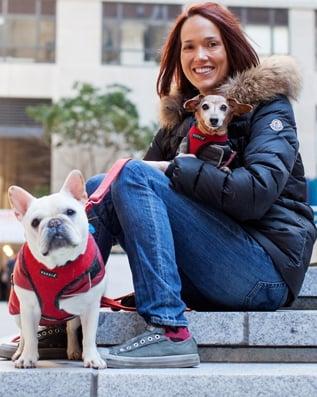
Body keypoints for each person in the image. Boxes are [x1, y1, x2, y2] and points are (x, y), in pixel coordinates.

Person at [1, 2, 316, 368]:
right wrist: (164, 169)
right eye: (189, 47)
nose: (201, 55)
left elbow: (255, 195)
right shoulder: (180, 119)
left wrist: (176, 166)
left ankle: (169, 330)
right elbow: (130, 189)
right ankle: (61, 317)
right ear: (177, 56)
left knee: (132, 174)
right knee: (105, 183)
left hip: (264, 271)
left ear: (231, 46)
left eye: (212, 44)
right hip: (208, 270)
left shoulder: (268, 108)